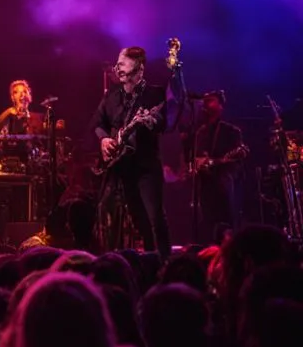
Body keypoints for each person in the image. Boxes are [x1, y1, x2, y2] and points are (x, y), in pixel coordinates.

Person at [93, 44, 184, 257]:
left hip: (146, 166)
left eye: (123, 63)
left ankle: (163, 262)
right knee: (136, 218)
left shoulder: (154, 95)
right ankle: (143, 259)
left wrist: (152, 121)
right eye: (117, 63)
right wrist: (104, 140)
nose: (117, 67)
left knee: (155, 218)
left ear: (139, 68)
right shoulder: (112, 97)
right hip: (120, 167)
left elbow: (164, 122)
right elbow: (98, 123)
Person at [193, 91, 248, 236]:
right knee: (207, 220)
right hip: (205, 182)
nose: (206, 103)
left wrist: (218, 162)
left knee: (226, 219)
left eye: (211, 100)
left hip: (224, 182)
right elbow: (198, 157)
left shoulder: (231, 131)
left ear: (221, 105)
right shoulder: (201, 132)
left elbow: (237, 160)